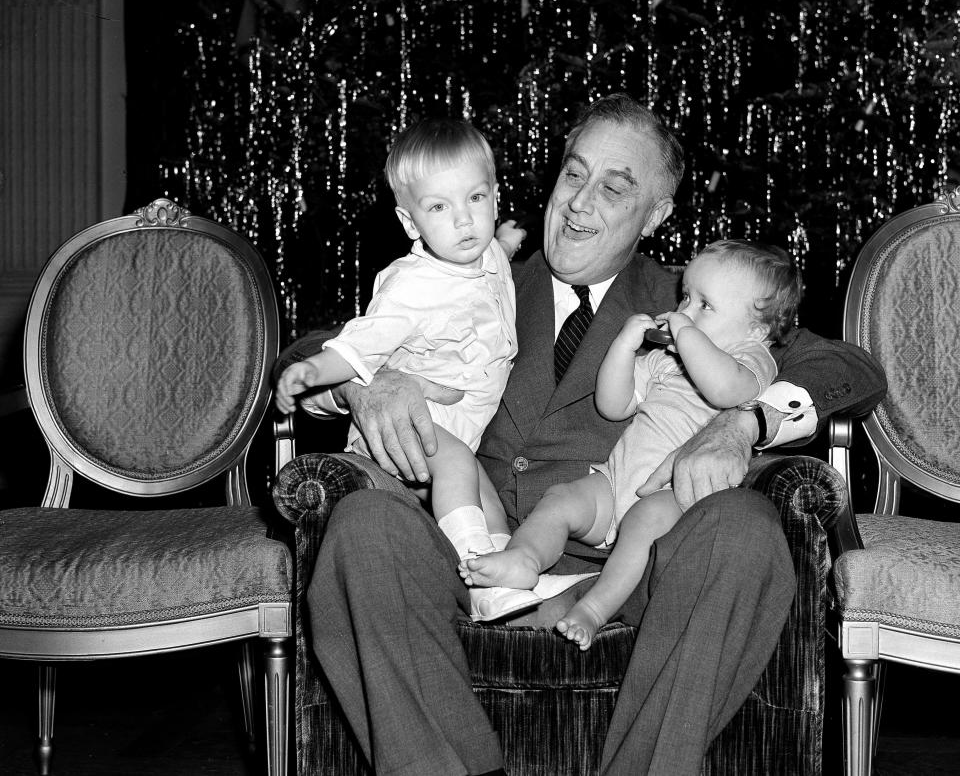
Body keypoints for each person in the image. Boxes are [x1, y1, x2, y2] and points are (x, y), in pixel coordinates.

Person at [286, 93, 886, 775]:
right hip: (471, 553)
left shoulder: (690, 304)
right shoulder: (478, 277)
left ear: (656, 214)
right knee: (363, 526)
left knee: (743, 530)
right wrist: (362, 384)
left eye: (614, 187)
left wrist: (746, 421)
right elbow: (311, 347)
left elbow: (848, 367)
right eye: (573, 175)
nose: (579, 202)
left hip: (620, 566)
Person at [460, 240, 801, 649]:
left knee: (641, 525)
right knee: (561, 498)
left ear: (757, 329)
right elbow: (613, 404)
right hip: (614, 480)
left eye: (704, 306)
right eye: (686, 297)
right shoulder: (666, 359)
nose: (684, 311)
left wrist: (686, 332)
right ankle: (524, 560)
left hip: (673, 498)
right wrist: (624, 346)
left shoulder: (752, 359)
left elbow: (725, 388)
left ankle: (594, 609)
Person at [275, 117, 540, 620]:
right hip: (406, 427)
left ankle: (503, 576)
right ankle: (477, 572)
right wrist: (311, 374)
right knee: (461, 467)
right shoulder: (411, 286)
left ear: (496, 196)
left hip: (460, 430)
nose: (464, 222)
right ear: (411, 223)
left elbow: (495, 259)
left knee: (484, 491)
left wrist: (505, 240)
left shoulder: (487, 255)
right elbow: (357, 348)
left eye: (476, 199)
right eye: (440, 207)